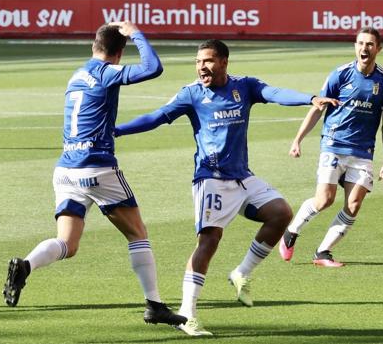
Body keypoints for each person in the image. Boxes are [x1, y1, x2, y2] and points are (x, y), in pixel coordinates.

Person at [114, 39, 337, 336]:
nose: (201, 67)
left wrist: (309, 99)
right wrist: (116, 130)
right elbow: (155, 117)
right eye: (197, 62)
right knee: (209, 242)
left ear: (223, 62)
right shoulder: (191, 94)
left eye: (207, 61)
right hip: (212, 178)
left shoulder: (244, 86)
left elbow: (274, 93)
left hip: (242, 177)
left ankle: (241, 273)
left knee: (281, 213)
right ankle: (187, 313)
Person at [2, 21, 186, 327]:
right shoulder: (108, 72)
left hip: (65, 169)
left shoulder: (77, 74)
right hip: (96, 166)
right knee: (137, 233)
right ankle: (154, 304)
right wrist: (136, 33)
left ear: (93, 46)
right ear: (119, 52)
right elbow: (153, 67)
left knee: (67, 244)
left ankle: (25, 266)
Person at [279, 27, 383, 267]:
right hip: (334, 144)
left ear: (379, 48)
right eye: (360, 43)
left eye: (370, 44)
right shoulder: (340, 74)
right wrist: (297, 139)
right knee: (324, 200)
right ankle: (291, 232)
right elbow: (317, 108)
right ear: (355, 46)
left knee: (354, 204)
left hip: (363, 151)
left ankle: (322, 252)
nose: (364, 48)